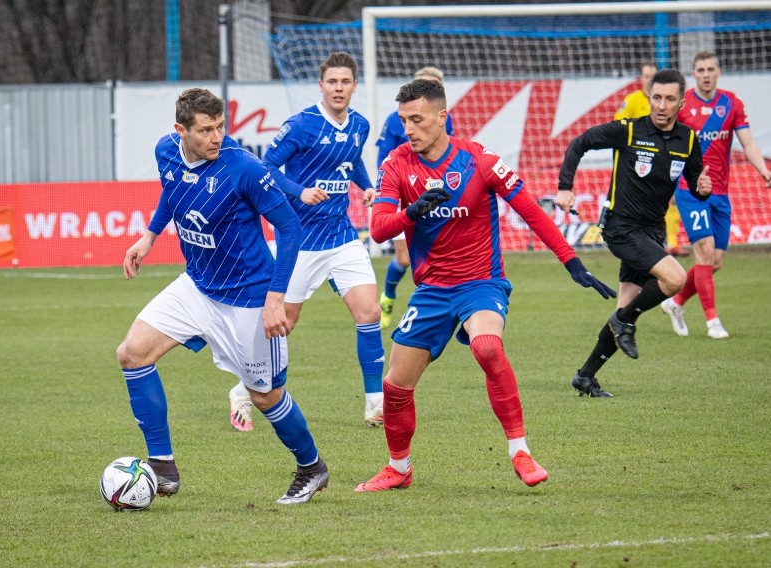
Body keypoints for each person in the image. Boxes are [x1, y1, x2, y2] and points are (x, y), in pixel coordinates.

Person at [354, 79, 616, 493]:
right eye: (404, 121)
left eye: (417, 120)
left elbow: (530, 209)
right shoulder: (396, 164)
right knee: (395, 387)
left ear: (442, 117)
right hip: (432, 291)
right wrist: (413, 213)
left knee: (487, 346)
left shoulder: (479, 160)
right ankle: (399, 468)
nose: (409, 129)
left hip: (481, 282)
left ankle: (520, 452)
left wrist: (571, 261)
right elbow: (381, 228)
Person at [116, 88, 328, 505]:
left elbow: (290, 229)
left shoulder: (242, 167)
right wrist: (150, 236)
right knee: (132, 353)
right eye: (206, 130)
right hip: (197, 286)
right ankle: (162, 465)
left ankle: (312, 467)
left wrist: (274, 300)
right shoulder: (167, 151)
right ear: (180, 131)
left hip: (248, 298)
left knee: (265, 395)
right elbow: (173, 192)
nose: (216, 137)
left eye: (220, 128)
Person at [228, 52, 385, 431]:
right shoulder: (301, 125)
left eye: (345, 82)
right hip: (299, 241)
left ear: (353, 86)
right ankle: (242, 391)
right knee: (284, 323)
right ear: (321, 85)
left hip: (342, 236)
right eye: (332, 82)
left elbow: (352, 160)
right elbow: (264, 167)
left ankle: (376, 405)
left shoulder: (360, 125)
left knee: (370, 314)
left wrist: (365, 185)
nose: (338, 88)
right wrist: (300, 191)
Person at [556, 70, 712, 398]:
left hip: (651, 233)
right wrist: (565, 187)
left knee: (624, 306)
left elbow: (697, 185)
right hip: (621, 228)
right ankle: (625, 321)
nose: (662, 104)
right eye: (657, 97)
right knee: (675, 279)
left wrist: (702, 190)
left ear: (681, 103)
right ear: (648, 97)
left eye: (670, 99)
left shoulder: (688, 139)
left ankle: (585, 376)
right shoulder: (629, 130)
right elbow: (579, 143)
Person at [660, 51, 771, 340]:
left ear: (718, 71)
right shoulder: (682, 108)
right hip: (691, 190)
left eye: (710, 69)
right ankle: (713, 322)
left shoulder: (731, 103)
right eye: (700, 70)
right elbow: (667, 148)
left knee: (715, 261)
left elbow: (747, 144)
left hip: (721, 192)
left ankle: (675, 302)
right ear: (693, 74)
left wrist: (764, 170)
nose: (706, 74)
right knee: (705, 251)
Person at [376, 66, 455, 330]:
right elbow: (384, 160)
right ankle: (388, 297)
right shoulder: (394, 119)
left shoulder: (446, 120)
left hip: (433, 197)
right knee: (404, 258)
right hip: (402, 196)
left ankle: (445, 306)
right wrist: (382, 191)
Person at [615, 61, 689, 258]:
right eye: (646, 76)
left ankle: (672, 243)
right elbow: (618, 125)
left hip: (664, 162)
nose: (649, 80)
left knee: (671, 200)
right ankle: (643, 243)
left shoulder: (667, 104)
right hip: (639, 166)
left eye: (652, 77)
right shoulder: (632, 101)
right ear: (641, 79)